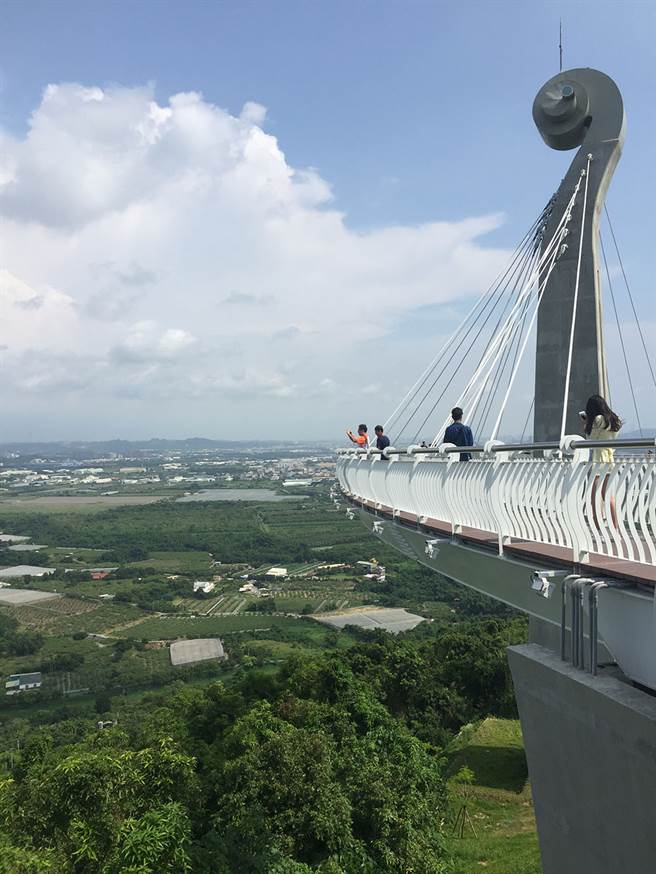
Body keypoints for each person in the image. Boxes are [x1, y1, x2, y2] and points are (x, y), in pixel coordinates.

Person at [581, 394, 622, 527]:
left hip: (599, 461)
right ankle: (615, 526)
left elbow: (590, 439)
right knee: (607, 495)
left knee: (595, 495)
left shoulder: (598, 419)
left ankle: (597, 525)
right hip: (609, 459)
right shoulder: (614, 419)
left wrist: (587, 423)